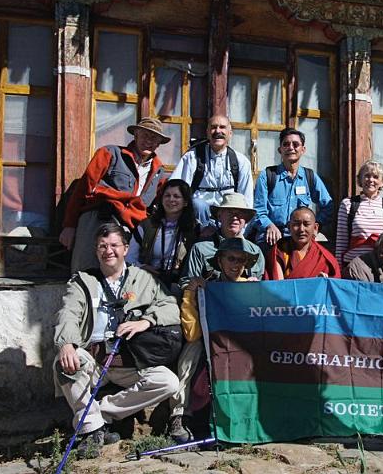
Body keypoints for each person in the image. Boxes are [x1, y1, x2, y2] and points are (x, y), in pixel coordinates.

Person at [53, 223, 180, 458]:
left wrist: (146, 321)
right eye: (102, 246)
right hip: (95, 361)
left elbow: (170, 306)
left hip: (130, 361)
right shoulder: (83, 281)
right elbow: (68, 313)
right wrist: (67, 343)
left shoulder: (143, 279)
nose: (108, 251)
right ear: (96, 250)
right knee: (65, 363)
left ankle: (98, 416)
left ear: (125, 249)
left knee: (168, 382)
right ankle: (93, 430)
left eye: (114, 245)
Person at [170, 237, 261, 442]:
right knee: (191, 352)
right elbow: (192, 333)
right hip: (209, 346)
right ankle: (180, 415)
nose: (236, 265)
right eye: (231, 259)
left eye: (241, 260)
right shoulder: (204, 288)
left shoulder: (252, 288)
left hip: (240, 348)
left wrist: (256, 294)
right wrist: (191, 293)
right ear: (219, 261)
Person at [59, 118, 170, 272]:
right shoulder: (109, 153)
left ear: (159, 144)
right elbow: (83, 189)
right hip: (98, 216)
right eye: (145, 135)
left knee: (120, 273)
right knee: (86, 270)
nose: (149, 141)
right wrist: (69, 226)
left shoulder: (159, 171)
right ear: (135, 135)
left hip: (132, 226)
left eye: (154, 138)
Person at [253, 128, 334, 251]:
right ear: (280, 149)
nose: (291, 148)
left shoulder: (309, 176)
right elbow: (258, 210)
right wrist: (268, 225)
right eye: (286, 144)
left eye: (295, 144)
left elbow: (328, 206)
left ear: (303, 150)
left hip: (301, 237)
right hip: (272, 237)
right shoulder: (267, 175)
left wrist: (313, 226)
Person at [170, 115, 253, 227]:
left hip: (228, 218)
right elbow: (177, 189)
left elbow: (246, 199)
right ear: (208, 132)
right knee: (198, 204)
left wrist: (241, 231)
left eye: (222, 127)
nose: (218, 131)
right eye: (213, 127)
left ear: (230, 133)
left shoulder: (241, 162)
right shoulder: (192, 157)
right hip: (198, 219)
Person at [335, 160, 383, 278]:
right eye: (367, 176)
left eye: (376, 177)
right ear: (360, 180)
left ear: (382, 182)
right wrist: (338, 270)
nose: (371, 180)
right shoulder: (348, 204)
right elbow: (341, 241)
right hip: (356, 268)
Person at [126, 179, 197, 293]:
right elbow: (129, 258)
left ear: (185, 202)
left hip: (178, 284)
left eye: (176, 196)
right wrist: (141, 267)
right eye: (167, 195)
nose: (171, 199)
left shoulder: (194, 229)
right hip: (147, 279)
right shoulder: (147, 226)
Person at [178, 192, 265, 284]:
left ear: (246, 220)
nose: (235, 217)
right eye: (230, 212)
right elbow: (186, 283)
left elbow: (260, 286)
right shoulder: (200, 249)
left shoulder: (255, 251)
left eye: (240, 213)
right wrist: (196, 285)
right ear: (219, 216)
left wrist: (255, 285)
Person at [264, 207, 341, 280]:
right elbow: (277, 285)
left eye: (306, 224)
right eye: (296, 224)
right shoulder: (280, 250)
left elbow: (334, 285)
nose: (301, 229)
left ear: (315, 228)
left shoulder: (324, 257)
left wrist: (321, 282)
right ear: (289, 227)